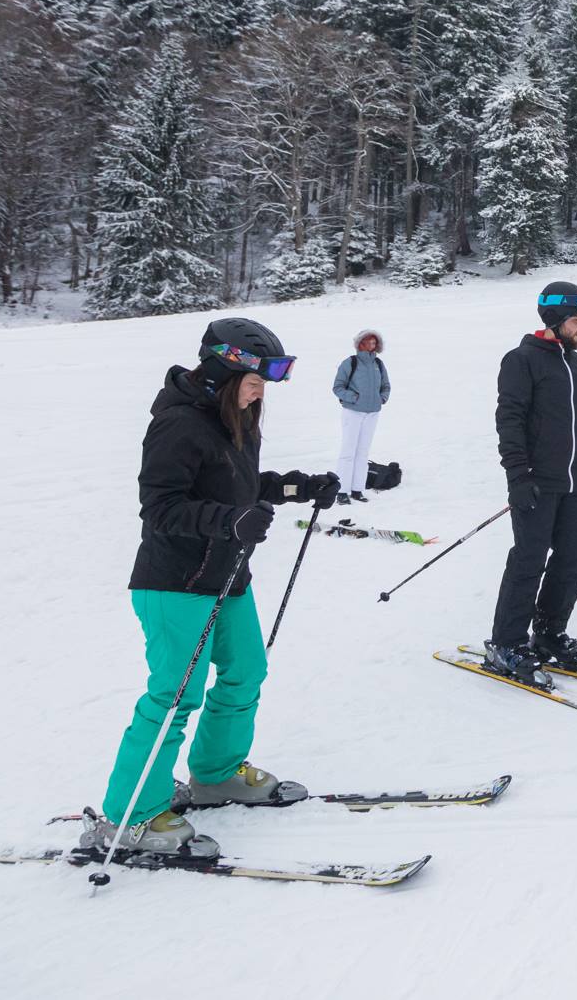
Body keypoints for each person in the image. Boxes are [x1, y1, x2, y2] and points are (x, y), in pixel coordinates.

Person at [80, 317, 340, 860]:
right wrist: (229, 521)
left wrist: (300, 486)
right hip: (175, 582)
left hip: (227, 577)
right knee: (176, 695)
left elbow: (243, 484)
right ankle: (131, 814)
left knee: (247, 671)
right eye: (255, 378)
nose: (261, 390)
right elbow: (162, 506)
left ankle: (217, 773)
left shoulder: (236, 416)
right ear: (224, 366)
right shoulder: (179, 423)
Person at [487, 281, 577, 686]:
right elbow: (509, 421)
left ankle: (548, 633)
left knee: (572, 560)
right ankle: (506, 642)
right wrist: (518, 477)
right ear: (556, 319)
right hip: (537, 483)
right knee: (528, 561)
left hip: (575, 484)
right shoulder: (521, 360)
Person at [330, 329, 390, 503]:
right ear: (359, 343)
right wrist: (354, 398)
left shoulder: (378, 364)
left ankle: (357, 489)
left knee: (363, 453)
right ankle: (342, 491)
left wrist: (382, 398)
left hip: (372, 413)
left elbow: (386, 385)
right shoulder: (350, 362)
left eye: (373, 342)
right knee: (348, 452)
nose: (370, 345)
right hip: (353, 412)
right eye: (367, 341)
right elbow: (338, 387)